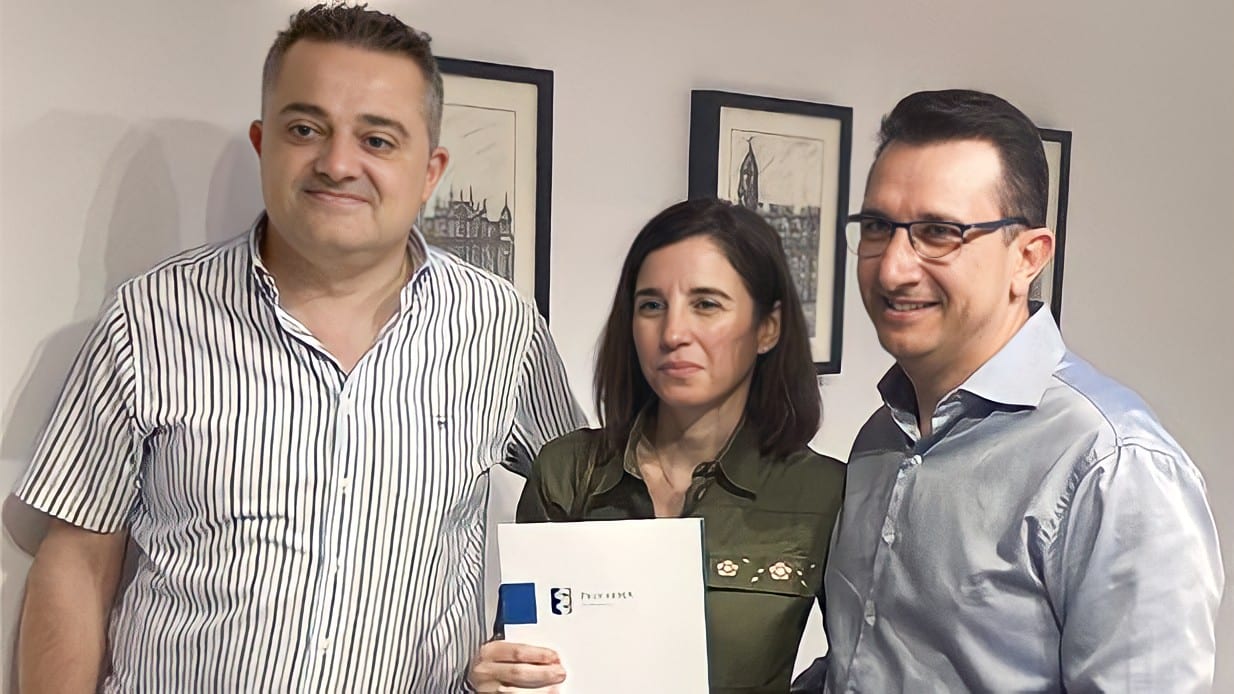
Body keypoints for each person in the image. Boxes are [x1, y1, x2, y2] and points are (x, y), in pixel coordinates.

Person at [14, 4, 582, 691]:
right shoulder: (149, 318)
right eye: (306, 129)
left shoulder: (500, 326)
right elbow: (76, 561)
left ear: (430, 172)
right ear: (264, 143)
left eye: (377, 140)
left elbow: (588, 511)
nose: (337, 164)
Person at [800, 89, 1223, 692]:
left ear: (1028, 257)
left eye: (939, 232)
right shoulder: (881, 436)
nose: (892, 268)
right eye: (877, 227)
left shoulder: (1113, 466)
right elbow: (862, 666)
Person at [468, 198, 846, 693]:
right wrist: (498, 674)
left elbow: (860, 664)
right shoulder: (566, 470)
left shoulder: (824, 492)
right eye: (651, 305)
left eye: (706, 304)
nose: (672, 333)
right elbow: (520, 638)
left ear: (767, 328)